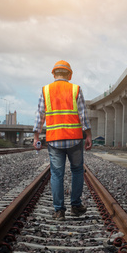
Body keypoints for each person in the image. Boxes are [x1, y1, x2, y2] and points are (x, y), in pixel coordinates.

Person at [33, 60, 92, 221]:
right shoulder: (75, 89)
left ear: (53, 74)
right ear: (70, 75)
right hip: (74, 138)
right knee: (77, 170)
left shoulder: (46, 90)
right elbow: (83, 115)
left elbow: (40, 115)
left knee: (57, 174)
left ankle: (59, 211)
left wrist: (36, 136)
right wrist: (88, 135)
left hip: (54, 140)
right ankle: (75, 205)